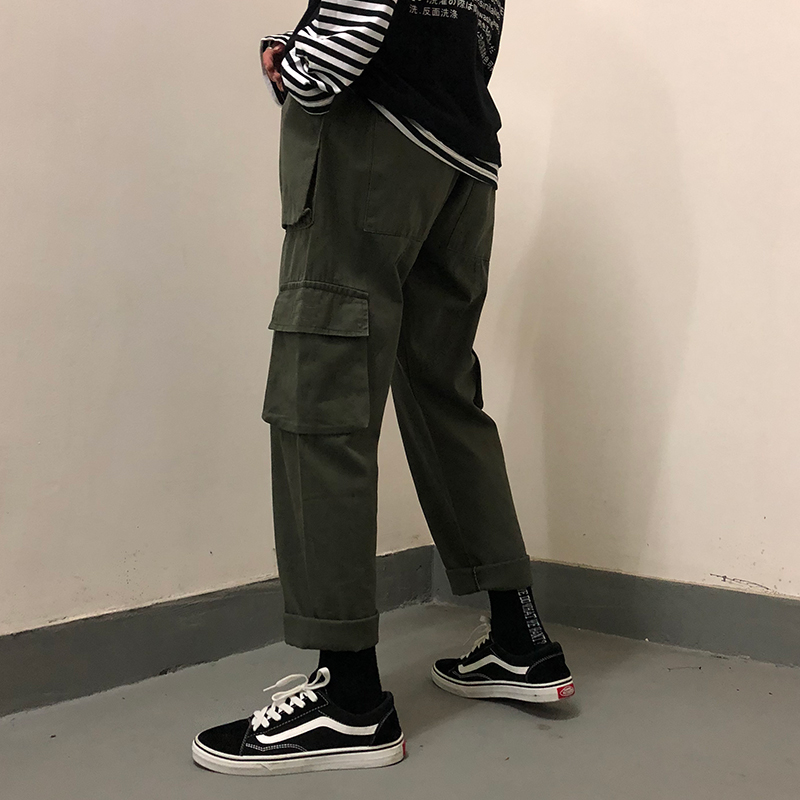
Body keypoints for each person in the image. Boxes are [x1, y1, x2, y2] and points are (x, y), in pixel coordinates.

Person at [191, 0, 574, 776]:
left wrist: (297, 66)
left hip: (376, 141)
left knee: (322, 388)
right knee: (443, 391)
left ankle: (349, 697)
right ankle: (518, 636)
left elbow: (360, 14)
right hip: (463, 158)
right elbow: (481, 29)